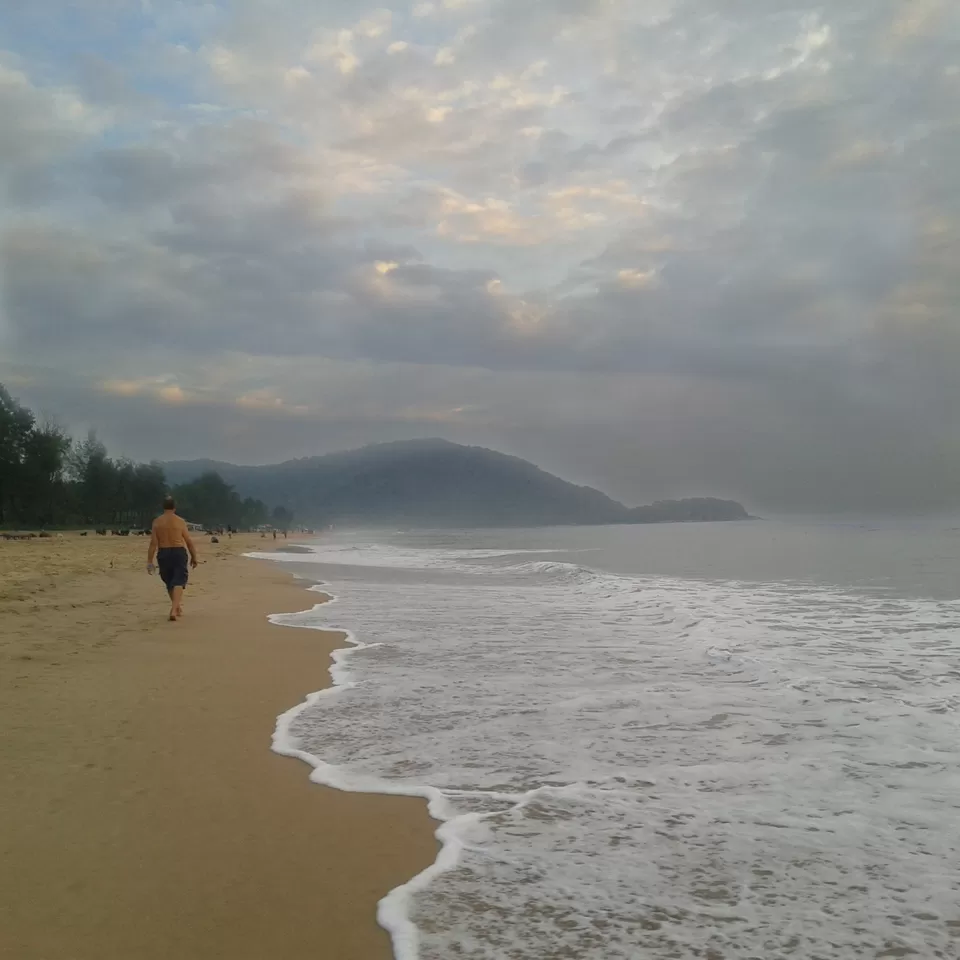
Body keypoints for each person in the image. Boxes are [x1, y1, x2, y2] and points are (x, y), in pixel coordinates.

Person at [147, 496, 198, 621]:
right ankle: (175, 608)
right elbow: (188, 541)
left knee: (169, 581)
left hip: (163, 552)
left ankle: (176, 606)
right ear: (174, 507)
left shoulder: (157, 522)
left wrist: (149, 561)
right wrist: (194, 556)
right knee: (179, 580)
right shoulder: (180, 521)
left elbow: (153, 543)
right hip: (178, 551)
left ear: (163, 507)